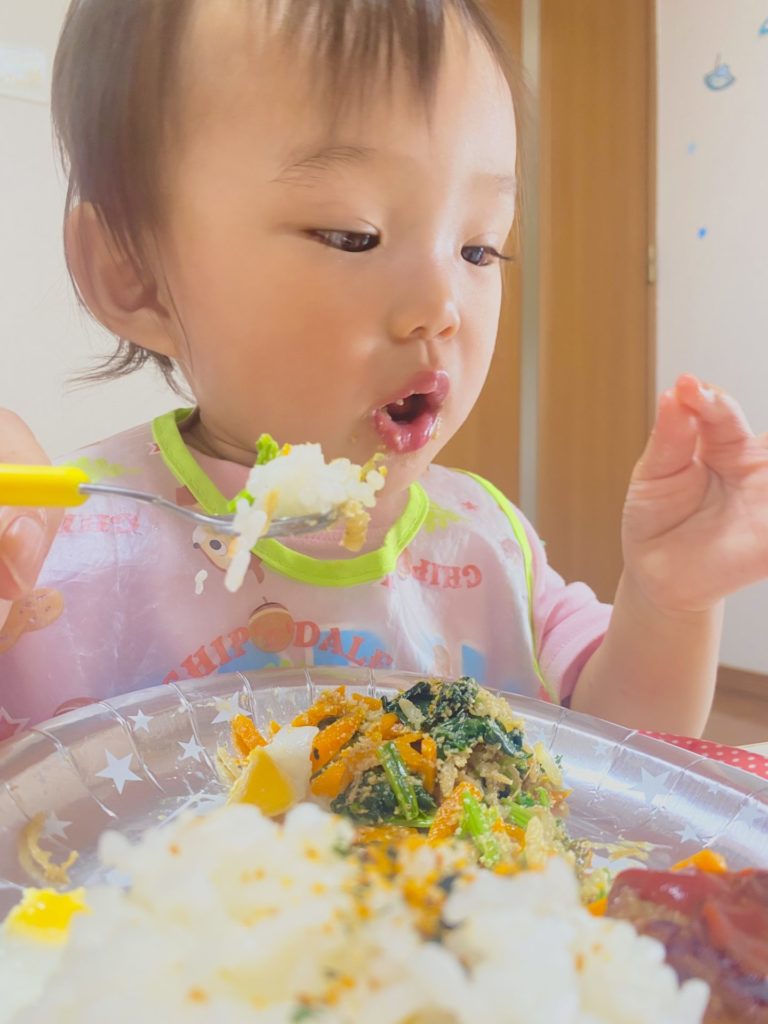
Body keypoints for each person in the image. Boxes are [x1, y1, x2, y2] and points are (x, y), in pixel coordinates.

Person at [1, 0, 766, 741]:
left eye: (478, 249)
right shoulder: (56, 544)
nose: (441, 307)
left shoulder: (483, 545)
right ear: (133, 274)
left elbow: (623, 752)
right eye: (353, 235)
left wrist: (670, 603)